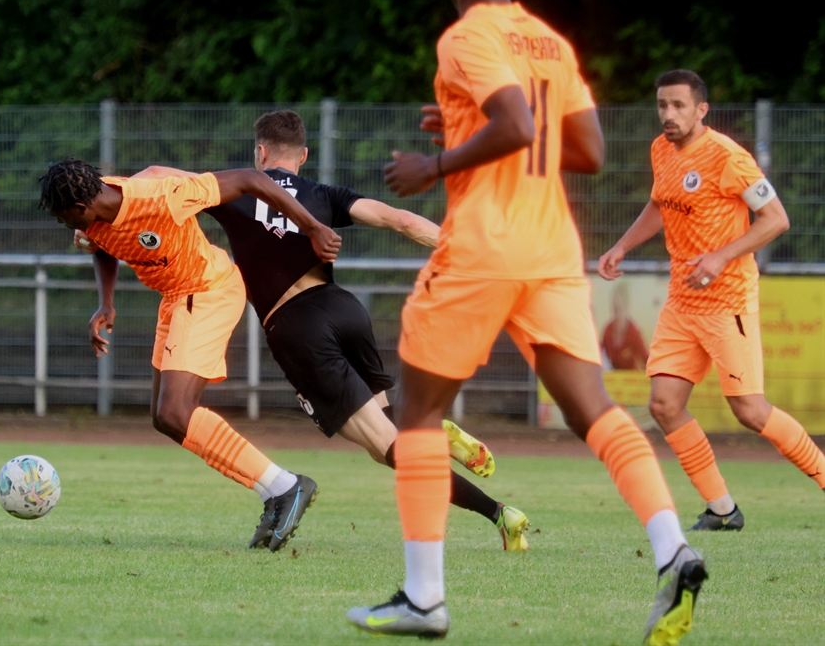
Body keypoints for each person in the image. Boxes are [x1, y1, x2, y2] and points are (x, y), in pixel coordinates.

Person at [346, 0, 706, 645]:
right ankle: (673, 548)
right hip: (550, 251)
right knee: (592, 407)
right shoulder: (549, 40)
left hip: (484, 246)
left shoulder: (465, 36)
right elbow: (587, 149)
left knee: (415, 415)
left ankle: (423, 598)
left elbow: (512, 124)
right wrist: (458, 132)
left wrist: (435, 165)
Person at [77, 109, 531, 552]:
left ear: (260, 153)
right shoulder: (324, 194)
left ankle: (498, 513)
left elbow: (156, 171)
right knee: (386, 430)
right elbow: (402, 220)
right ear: (304, 156)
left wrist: (110, 208)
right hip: (344, 308)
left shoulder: (234, 189)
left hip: (298, 326)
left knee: (385, 447)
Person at [38, 157, 341, 552]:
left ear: (80, 208)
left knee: (176, 411)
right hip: (177, 297)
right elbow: (100, 244)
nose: (66, 227)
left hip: (208, 289)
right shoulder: (94, 207)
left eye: (64, 219)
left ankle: (286, 486)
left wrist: (313, 228)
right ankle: (277, 489)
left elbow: (250, 178)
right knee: (165, 419)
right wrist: (106, 303)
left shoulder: (163, 197)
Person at [598, 69, 824, 531]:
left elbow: (775, 219)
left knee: (750, 411)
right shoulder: (661, 149)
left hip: (728, 301)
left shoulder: (727, 157)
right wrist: (623, 245)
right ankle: (723, 510)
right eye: (662, 105)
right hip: (683, 302)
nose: (668, 115)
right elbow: (661, 203)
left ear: (701, 109)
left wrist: (720, 257)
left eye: (679, 106)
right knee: (663, 404)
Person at [602, 283, 649, 370]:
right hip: (611, 380)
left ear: (626, 308)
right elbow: (598, 356)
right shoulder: (608, 330)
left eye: (619, 309)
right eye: (614, 309)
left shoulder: (633, 333)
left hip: (629, 380)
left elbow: (646, 358)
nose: (616, 314)